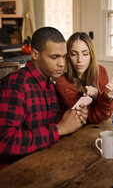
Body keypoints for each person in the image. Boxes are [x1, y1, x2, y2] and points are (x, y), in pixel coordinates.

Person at [0, 27, 88, 169]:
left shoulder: (50, 86)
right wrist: (59, 129)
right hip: (15, 170)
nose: (62, 63)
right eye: (54, 57)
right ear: (35, 54)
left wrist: (73, 118)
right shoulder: (16, 85)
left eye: (63, 56)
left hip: (45, 161)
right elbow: (4, 141)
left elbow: (50, 125)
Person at [56, 32, 113, 124]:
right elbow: (90, 118)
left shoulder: (101, 71)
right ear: (68, 56)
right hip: (78, 133)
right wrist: (104, 98)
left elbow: (109, 112)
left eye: (85, 54)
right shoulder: (63, 83)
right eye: (74, 54)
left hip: (102, 126)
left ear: (91, 55)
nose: (79, 60)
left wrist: (98, 95)